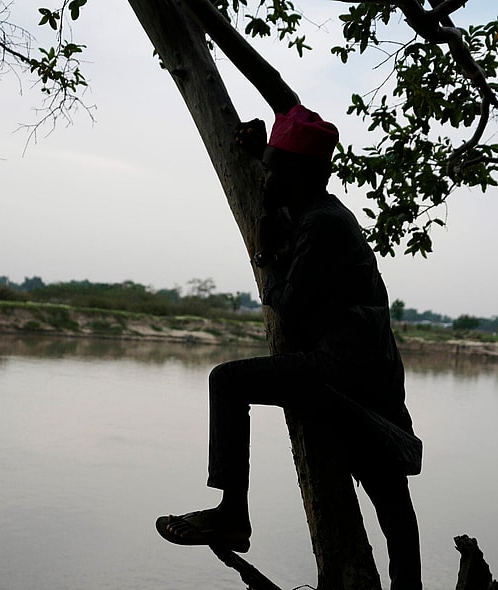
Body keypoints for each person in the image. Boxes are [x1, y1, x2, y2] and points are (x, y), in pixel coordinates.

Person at [156, 105, 423, 590]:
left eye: (277, 164)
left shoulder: (321, 225)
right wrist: (261, 155)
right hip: (367, 374)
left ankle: (233, 513)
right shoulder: (318, 210)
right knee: (393, 504)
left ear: (299, 173)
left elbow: (291, 306)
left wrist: (263, 255)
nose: (268, 173)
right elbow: (283, 186)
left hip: (341, 373)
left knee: (227, 380)